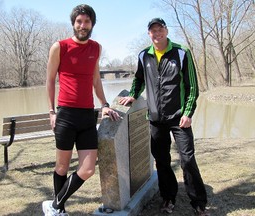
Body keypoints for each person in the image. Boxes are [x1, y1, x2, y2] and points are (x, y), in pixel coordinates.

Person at [119, 18, 210, 216]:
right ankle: (168, 197)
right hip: (155, 119)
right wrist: (133, 95)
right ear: (149, 34)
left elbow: (193, 87)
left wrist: (188, 113)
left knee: (187, 160)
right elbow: (139, 79)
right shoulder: (144, 55)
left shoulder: (181, 52)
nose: (157, 33)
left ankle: (198, 202)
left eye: (160, 29)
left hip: (179, 118)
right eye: (153, 31)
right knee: (161, 160)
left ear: (166, 31)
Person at [42, 4, 121, 216]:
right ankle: (60, 210)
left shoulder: (96, 48)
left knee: (87, 169)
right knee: (61, 168)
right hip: (66, 115)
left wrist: (104, 104)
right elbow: (50, 80)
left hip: (87, 115)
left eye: (86, 21)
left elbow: (96, 79)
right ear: (73, 23)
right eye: (79, 21)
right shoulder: (60, 47)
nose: (82, 25)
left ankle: (54, 205)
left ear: (92, 24)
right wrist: (51, 112)